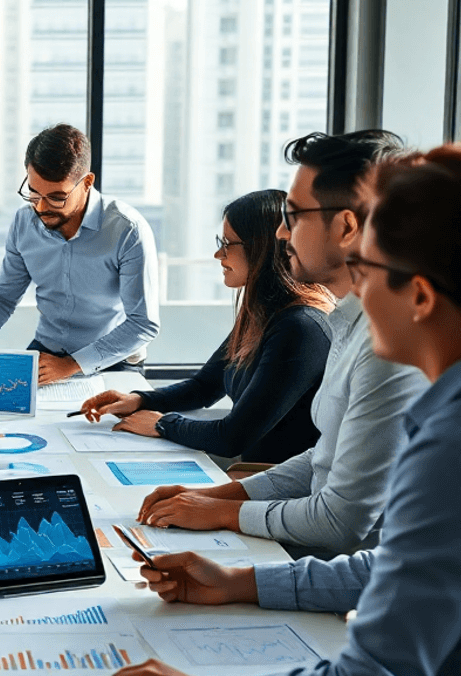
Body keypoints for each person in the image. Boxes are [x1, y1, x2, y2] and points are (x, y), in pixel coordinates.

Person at [106, 144, 461, 676]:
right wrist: (240, 579)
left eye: (370, 267)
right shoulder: (441, 401)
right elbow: (401, 564)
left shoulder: (448, 430)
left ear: (422, 296)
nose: (353, 288)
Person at [136, 130, 426, 558]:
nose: (281, 233)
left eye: (293, 216)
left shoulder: (385, 351)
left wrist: (223, 513)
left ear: (346, 226)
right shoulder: (349, 324)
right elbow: (321, 459)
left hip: (330, 568)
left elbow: (339, 523)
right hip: (305, 546)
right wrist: (223, 496)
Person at [80, 189, 333, 465]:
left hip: (275, 484)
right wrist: (138, 400)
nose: (217, 254)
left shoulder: (299, 328)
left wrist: (162, 424)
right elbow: (204, 387)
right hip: (253, 474)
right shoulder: (263, 314)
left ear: (261, 249)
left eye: (227, 243)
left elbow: (231, 437)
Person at [0, 124, 160, 383]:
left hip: (112, 361)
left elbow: (143, 324)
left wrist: (72, 365)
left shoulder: (127, 230)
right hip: (46, 353)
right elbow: (3, 297)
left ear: (87, 183)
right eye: (33, 192)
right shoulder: (24, 223)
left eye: (56, 197)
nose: (41, 207)